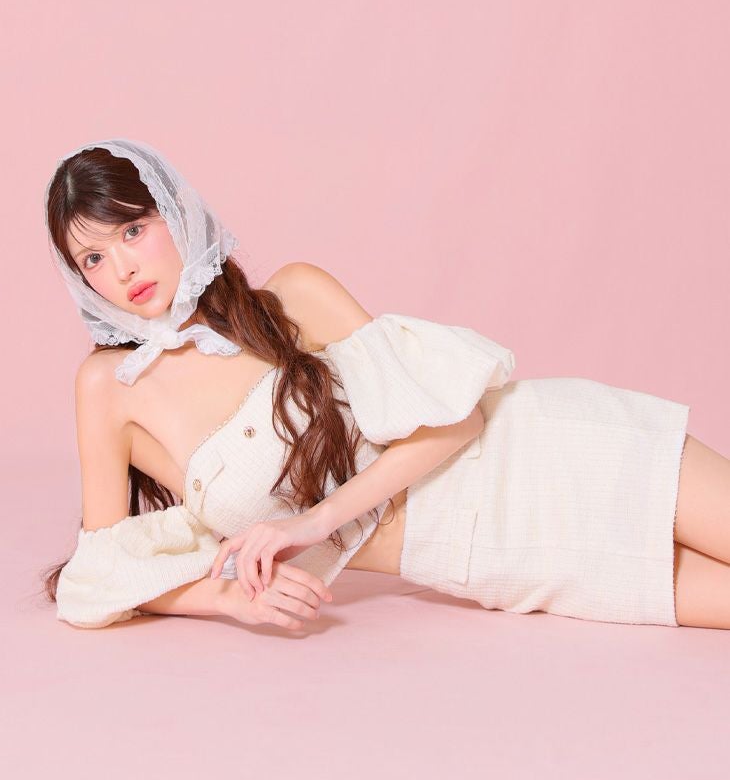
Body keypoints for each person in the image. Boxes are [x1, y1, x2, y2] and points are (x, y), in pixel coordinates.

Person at [41, 138, 730, 632]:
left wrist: (314, 523)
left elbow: (459, 422)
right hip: (495, 560)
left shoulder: (292, 298)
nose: (122, 269)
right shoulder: (111, 389)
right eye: (92, 258)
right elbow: (100, 574)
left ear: (175, 214)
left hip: (544, 449)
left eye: (133, 230)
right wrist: (225, 600)